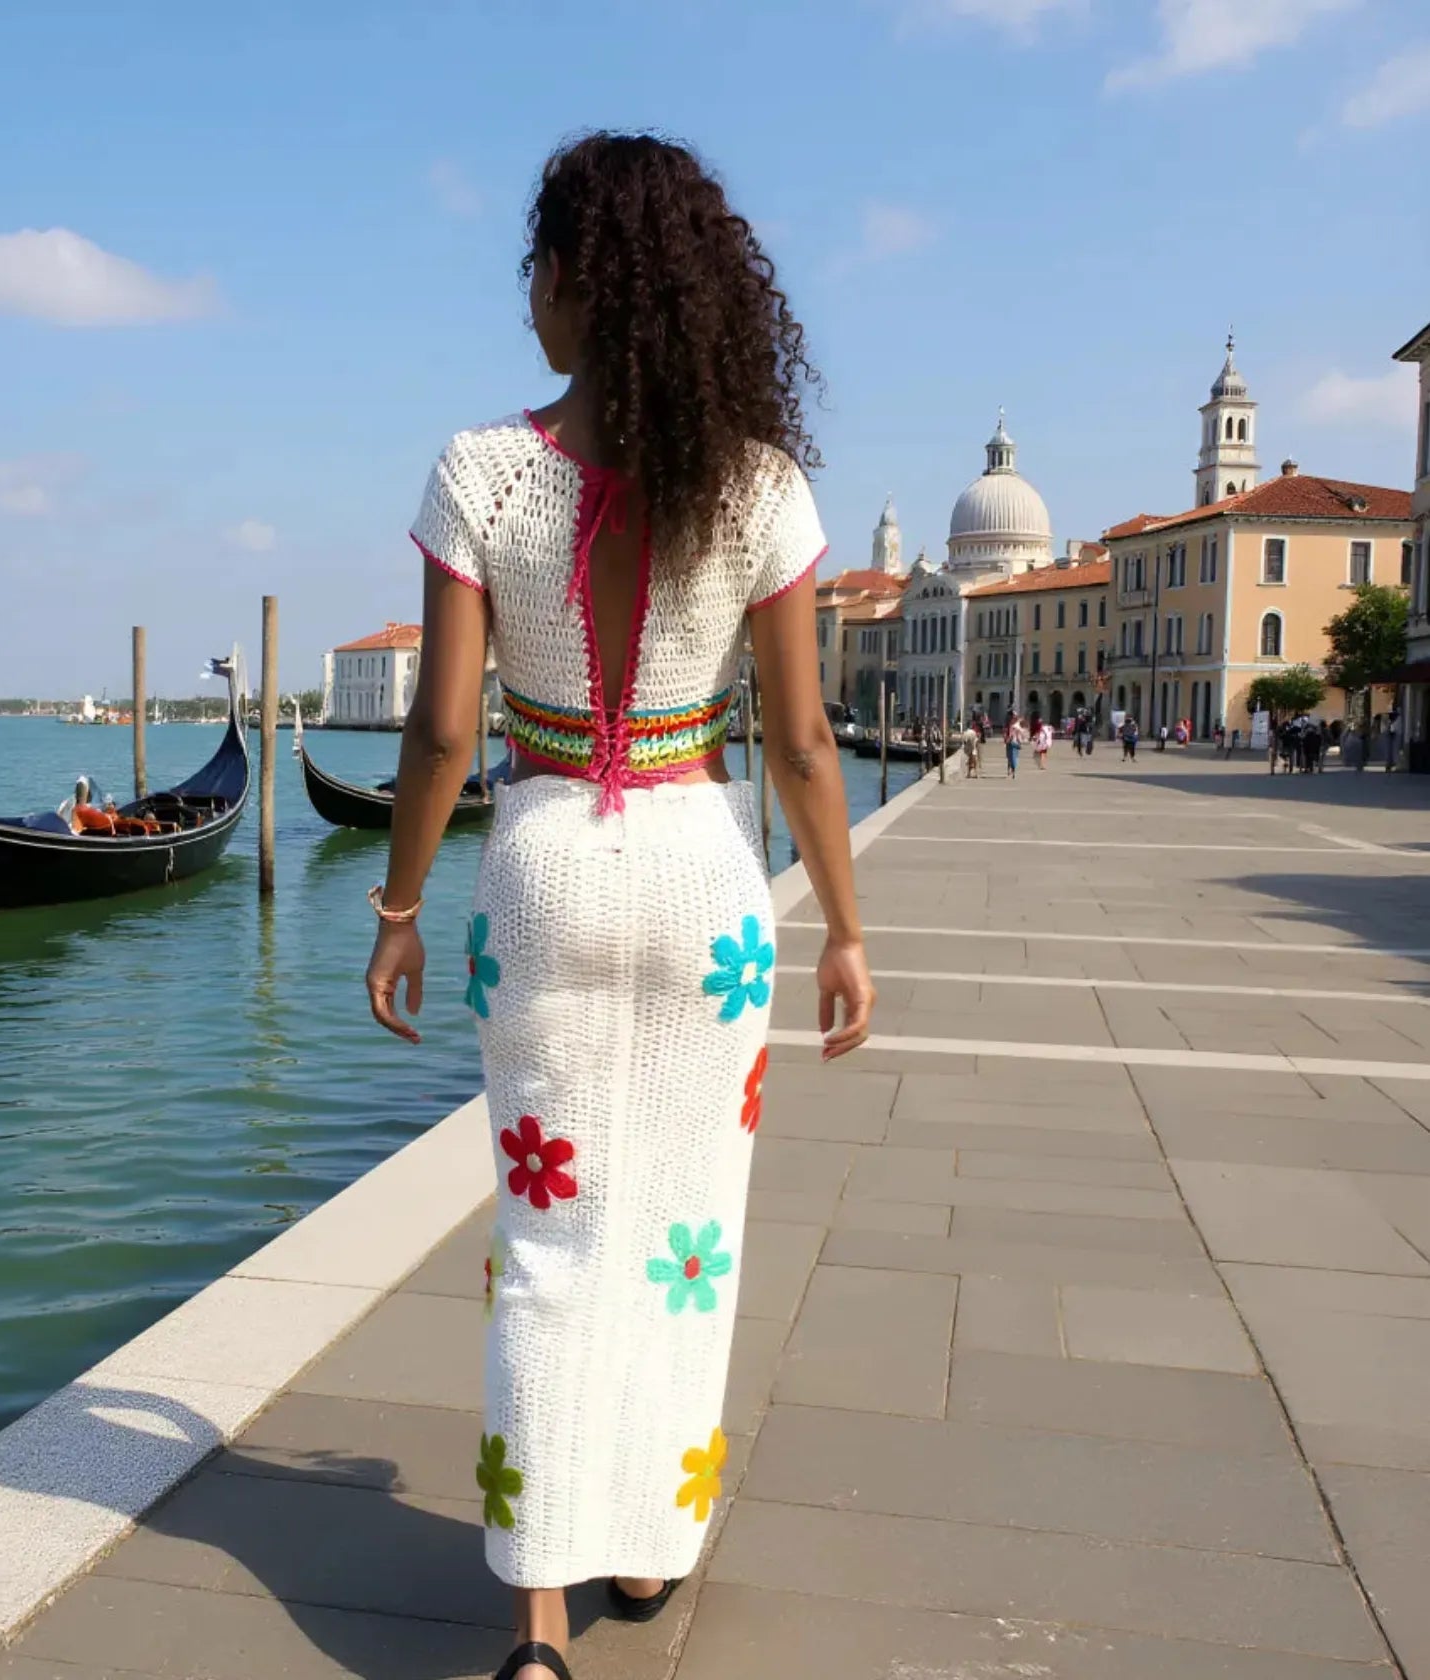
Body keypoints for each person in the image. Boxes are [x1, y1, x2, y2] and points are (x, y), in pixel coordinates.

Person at [363, 134, 876, 1680]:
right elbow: (800, 743)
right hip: (703, 884)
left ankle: (536, 1620)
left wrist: (397, 905)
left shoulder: (480, 471)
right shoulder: (760, 484)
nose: (526, 296)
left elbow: (442, 733)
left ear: (578, 282)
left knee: (550, 1239)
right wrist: (846, 928)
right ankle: (647, 1543)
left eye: (536, 267)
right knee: (682, 1235)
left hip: (539, 877)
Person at [1005, 713, 1026, 779]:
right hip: (1013, 743)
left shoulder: (1013, 726)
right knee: (1012, 757)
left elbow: (1013, 735)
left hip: (1012, 743)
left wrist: (1008, 740)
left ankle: (1011, 771)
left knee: (1011, 757)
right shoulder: (1014, 726)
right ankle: (1011, 771)